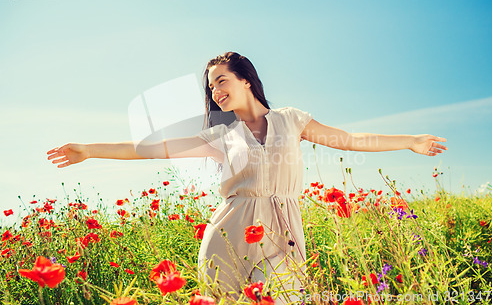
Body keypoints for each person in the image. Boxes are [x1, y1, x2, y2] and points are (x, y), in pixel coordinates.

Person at [47, 51, 447, 304]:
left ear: (246, 80)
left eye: (221, 80)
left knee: (285, 297)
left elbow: (349, 140)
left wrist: (409, 141)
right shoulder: (219, 136)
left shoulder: (292, 120)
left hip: (282, 233)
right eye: (211, 87)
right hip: (229, 235)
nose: (216, 91)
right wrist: (89, 149)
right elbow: (154, 148)